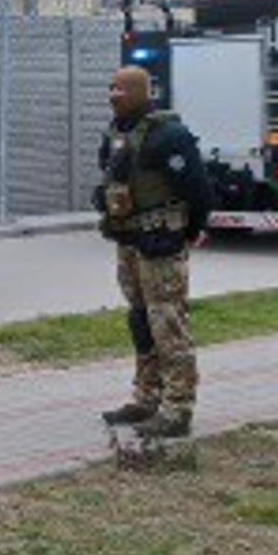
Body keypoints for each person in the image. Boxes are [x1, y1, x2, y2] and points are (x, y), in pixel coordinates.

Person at [95, 65, 212, 439]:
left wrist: (191, 231)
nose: (115, 96)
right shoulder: (115, 134)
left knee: (169, 324)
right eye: (112, 90)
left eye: (122, 90)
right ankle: (146, 398)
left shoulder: (169, 136)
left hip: (161, 242)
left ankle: (178, 408)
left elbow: (198, 188)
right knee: (141, 322)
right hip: (129, 244)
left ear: (142, 93)